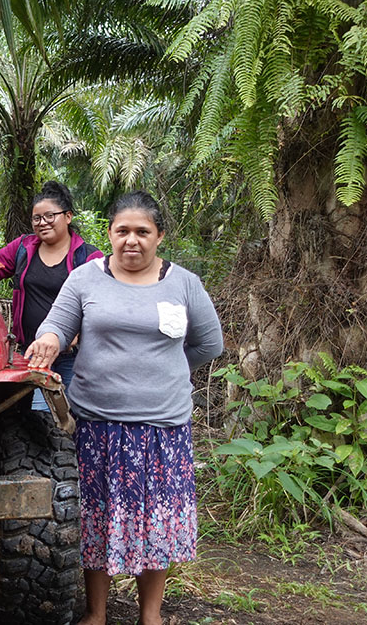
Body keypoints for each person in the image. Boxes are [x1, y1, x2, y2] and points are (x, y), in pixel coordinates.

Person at [24, 191, 224, 625]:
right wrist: (49, 342)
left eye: (142, 232)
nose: (131, 240)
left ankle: (149, 615)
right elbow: (58, 325)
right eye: (122, 231)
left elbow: (210, 343)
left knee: (157, 521)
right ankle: (96, 613)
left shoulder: (184, 283)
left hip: (161, 429)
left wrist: (166, 371)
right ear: (109, 233)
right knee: (97, 517)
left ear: (160, 236)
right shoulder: (84, 278)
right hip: (98, 424)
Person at [0, 181, 103, 411]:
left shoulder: (89, 257)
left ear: (68, 216)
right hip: (29, 353)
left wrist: (76, 334)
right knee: (25, 419)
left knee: (59, 419)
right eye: (36, 218)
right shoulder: (22, 247)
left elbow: (102, 307)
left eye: (50, 216)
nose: (42, 223)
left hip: (72, 357)